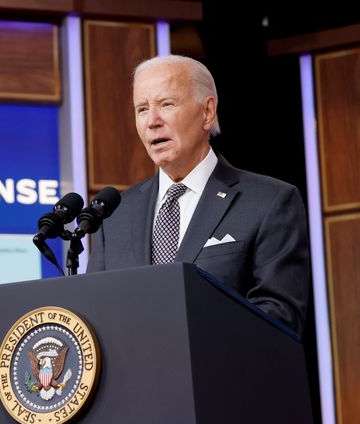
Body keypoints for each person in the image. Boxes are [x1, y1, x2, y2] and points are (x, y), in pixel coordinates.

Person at [87, 54, 310, 336]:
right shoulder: (115, 214)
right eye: (142, 109)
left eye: (166, 104)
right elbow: (97, 315)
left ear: (207, 112)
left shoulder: (269, 202)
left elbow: (279, 316)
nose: (152, 121)